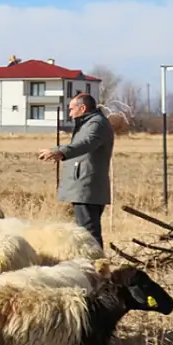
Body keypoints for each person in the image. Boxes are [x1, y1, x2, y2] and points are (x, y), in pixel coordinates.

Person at [38, 92, 114, 248]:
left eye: (72, 109)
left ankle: (96, 267)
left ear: (83, 108)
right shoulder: (88, 123)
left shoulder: (96, 124)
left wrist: (61, 151)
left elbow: (86, 143)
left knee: (88, 233)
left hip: (87, 185)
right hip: (84, 185)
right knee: (85, 231)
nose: (70, 113)